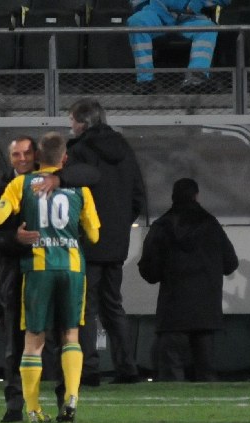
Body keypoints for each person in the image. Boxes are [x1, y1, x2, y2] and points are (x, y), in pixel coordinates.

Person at [0, 131, 100, 423]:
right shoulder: (9, 184)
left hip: (36, 272)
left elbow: (90, 172)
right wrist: (14, 238)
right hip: (31, 274)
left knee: (43, 341)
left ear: (37, 156)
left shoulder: (30, 183)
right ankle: (20, 406)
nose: (21, 159)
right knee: (29, 343)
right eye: (15, 155)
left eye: (26, 154)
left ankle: (48, 405)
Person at [67, 98, 145, 386]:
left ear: (83, 122)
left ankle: (88, 370)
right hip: (116, 243)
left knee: (85, 307)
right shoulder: (124, 149)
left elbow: (72, 196)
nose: (71, 127)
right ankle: (128, 368)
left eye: (73, 121)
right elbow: (137, 195)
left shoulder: (78, 151)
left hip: (86, 241)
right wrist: (117, 227)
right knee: (114, 306)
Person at [137, 178, 239, 381]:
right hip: (206, 312)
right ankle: (210, 411)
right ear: (196, 196)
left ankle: (173, 411)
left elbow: (149, 271)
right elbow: (231, 264)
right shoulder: (211, 224)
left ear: (173, 196)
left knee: (171, 371)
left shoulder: (162, 225)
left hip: (172, 312)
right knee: (206, 371)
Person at [127, 0, 231, 94]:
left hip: (190, 17)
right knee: (137, 21)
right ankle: (145, 80)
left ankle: (197, 77)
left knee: (207, 28)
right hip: (156, 13)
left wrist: (198, 3)